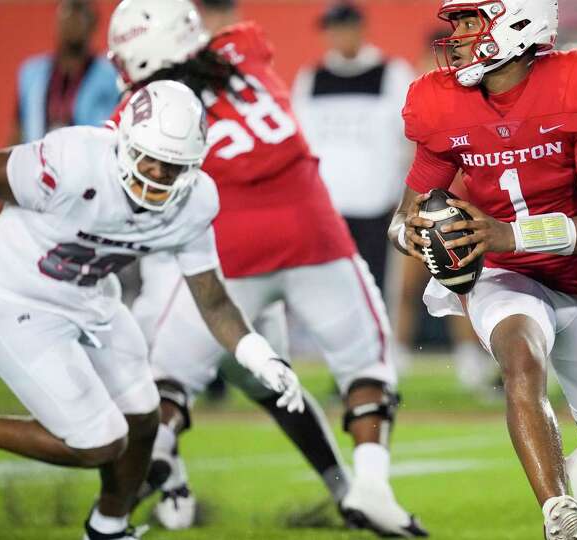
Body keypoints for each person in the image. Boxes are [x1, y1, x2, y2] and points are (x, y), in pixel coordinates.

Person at [0, 80, 305, 540]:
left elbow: (211, 296)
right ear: (125, 140)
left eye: (174, 167)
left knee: (143, 416)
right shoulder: (72, 160)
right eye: (151, 157)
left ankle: (108, 529)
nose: (157, 174)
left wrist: (260, 355)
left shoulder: (195, 202)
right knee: (100, 441)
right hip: (10, 295)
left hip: (89, 295)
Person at [108, 1, 425, 536]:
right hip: (313, 227)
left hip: (229, 248)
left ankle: (153, 465)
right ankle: (371, 485)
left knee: (167, 378)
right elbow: (236, 50)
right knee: (364, 363)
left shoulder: (141, 108)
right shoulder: (243, 47)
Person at [392, 0, 577, 537]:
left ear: (519, 23)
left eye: (469, 22)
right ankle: (560, 514)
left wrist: (512, 233)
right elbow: (404, 215)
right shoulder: (444, 104)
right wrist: (407, 232)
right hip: (503, 274)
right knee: (521, 358)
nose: (455, 37)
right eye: (454, 25)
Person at [393, 27, 495, 390]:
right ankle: (397, 361)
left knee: (461, 284)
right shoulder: (414, 97)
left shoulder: (468, 95)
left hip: (462, 200)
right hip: (419, 199)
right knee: (406, 286)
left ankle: (471, 364)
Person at [290, 1, 413, 293]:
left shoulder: (393, 74)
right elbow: (300, 143)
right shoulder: (311, 78)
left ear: (360, 28)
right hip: (327, 207)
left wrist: (403, 200)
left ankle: (385, 339)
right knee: (327, 289)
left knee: (378, 288)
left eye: (344, 28)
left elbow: (410, 139)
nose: (338, 37)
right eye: (332, 30)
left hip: (376, 208)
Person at [13, 0, 119, 144]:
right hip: (39, 161)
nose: (73, 20)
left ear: (93, 24)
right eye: (67, 11)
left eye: (80, 12)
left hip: (91, 162)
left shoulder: (111, 76)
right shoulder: (31, 73)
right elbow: (19, 129)